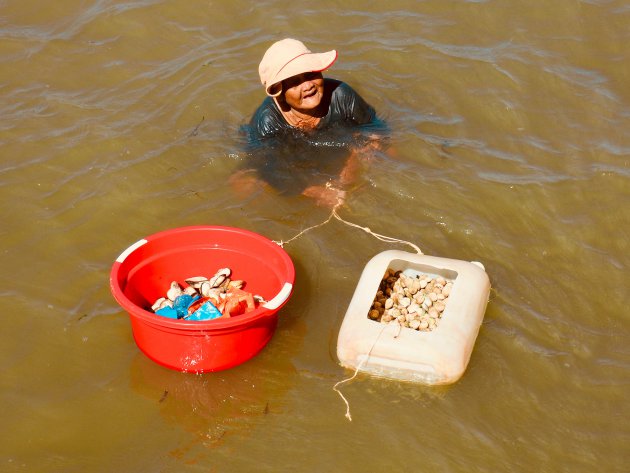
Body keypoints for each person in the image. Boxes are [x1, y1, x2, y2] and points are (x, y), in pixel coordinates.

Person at [232, 38, 387, 208]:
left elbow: (374, 128)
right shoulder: (267, 122)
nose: (307, 86)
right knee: (245, 183)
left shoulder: (342, 95)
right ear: (280, 92)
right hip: (284, 150)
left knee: (381, 155)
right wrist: (319, 192)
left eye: (311, 74)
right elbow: (271, 172)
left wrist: (364, 152)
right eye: (294, 82)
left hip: (329, 142)